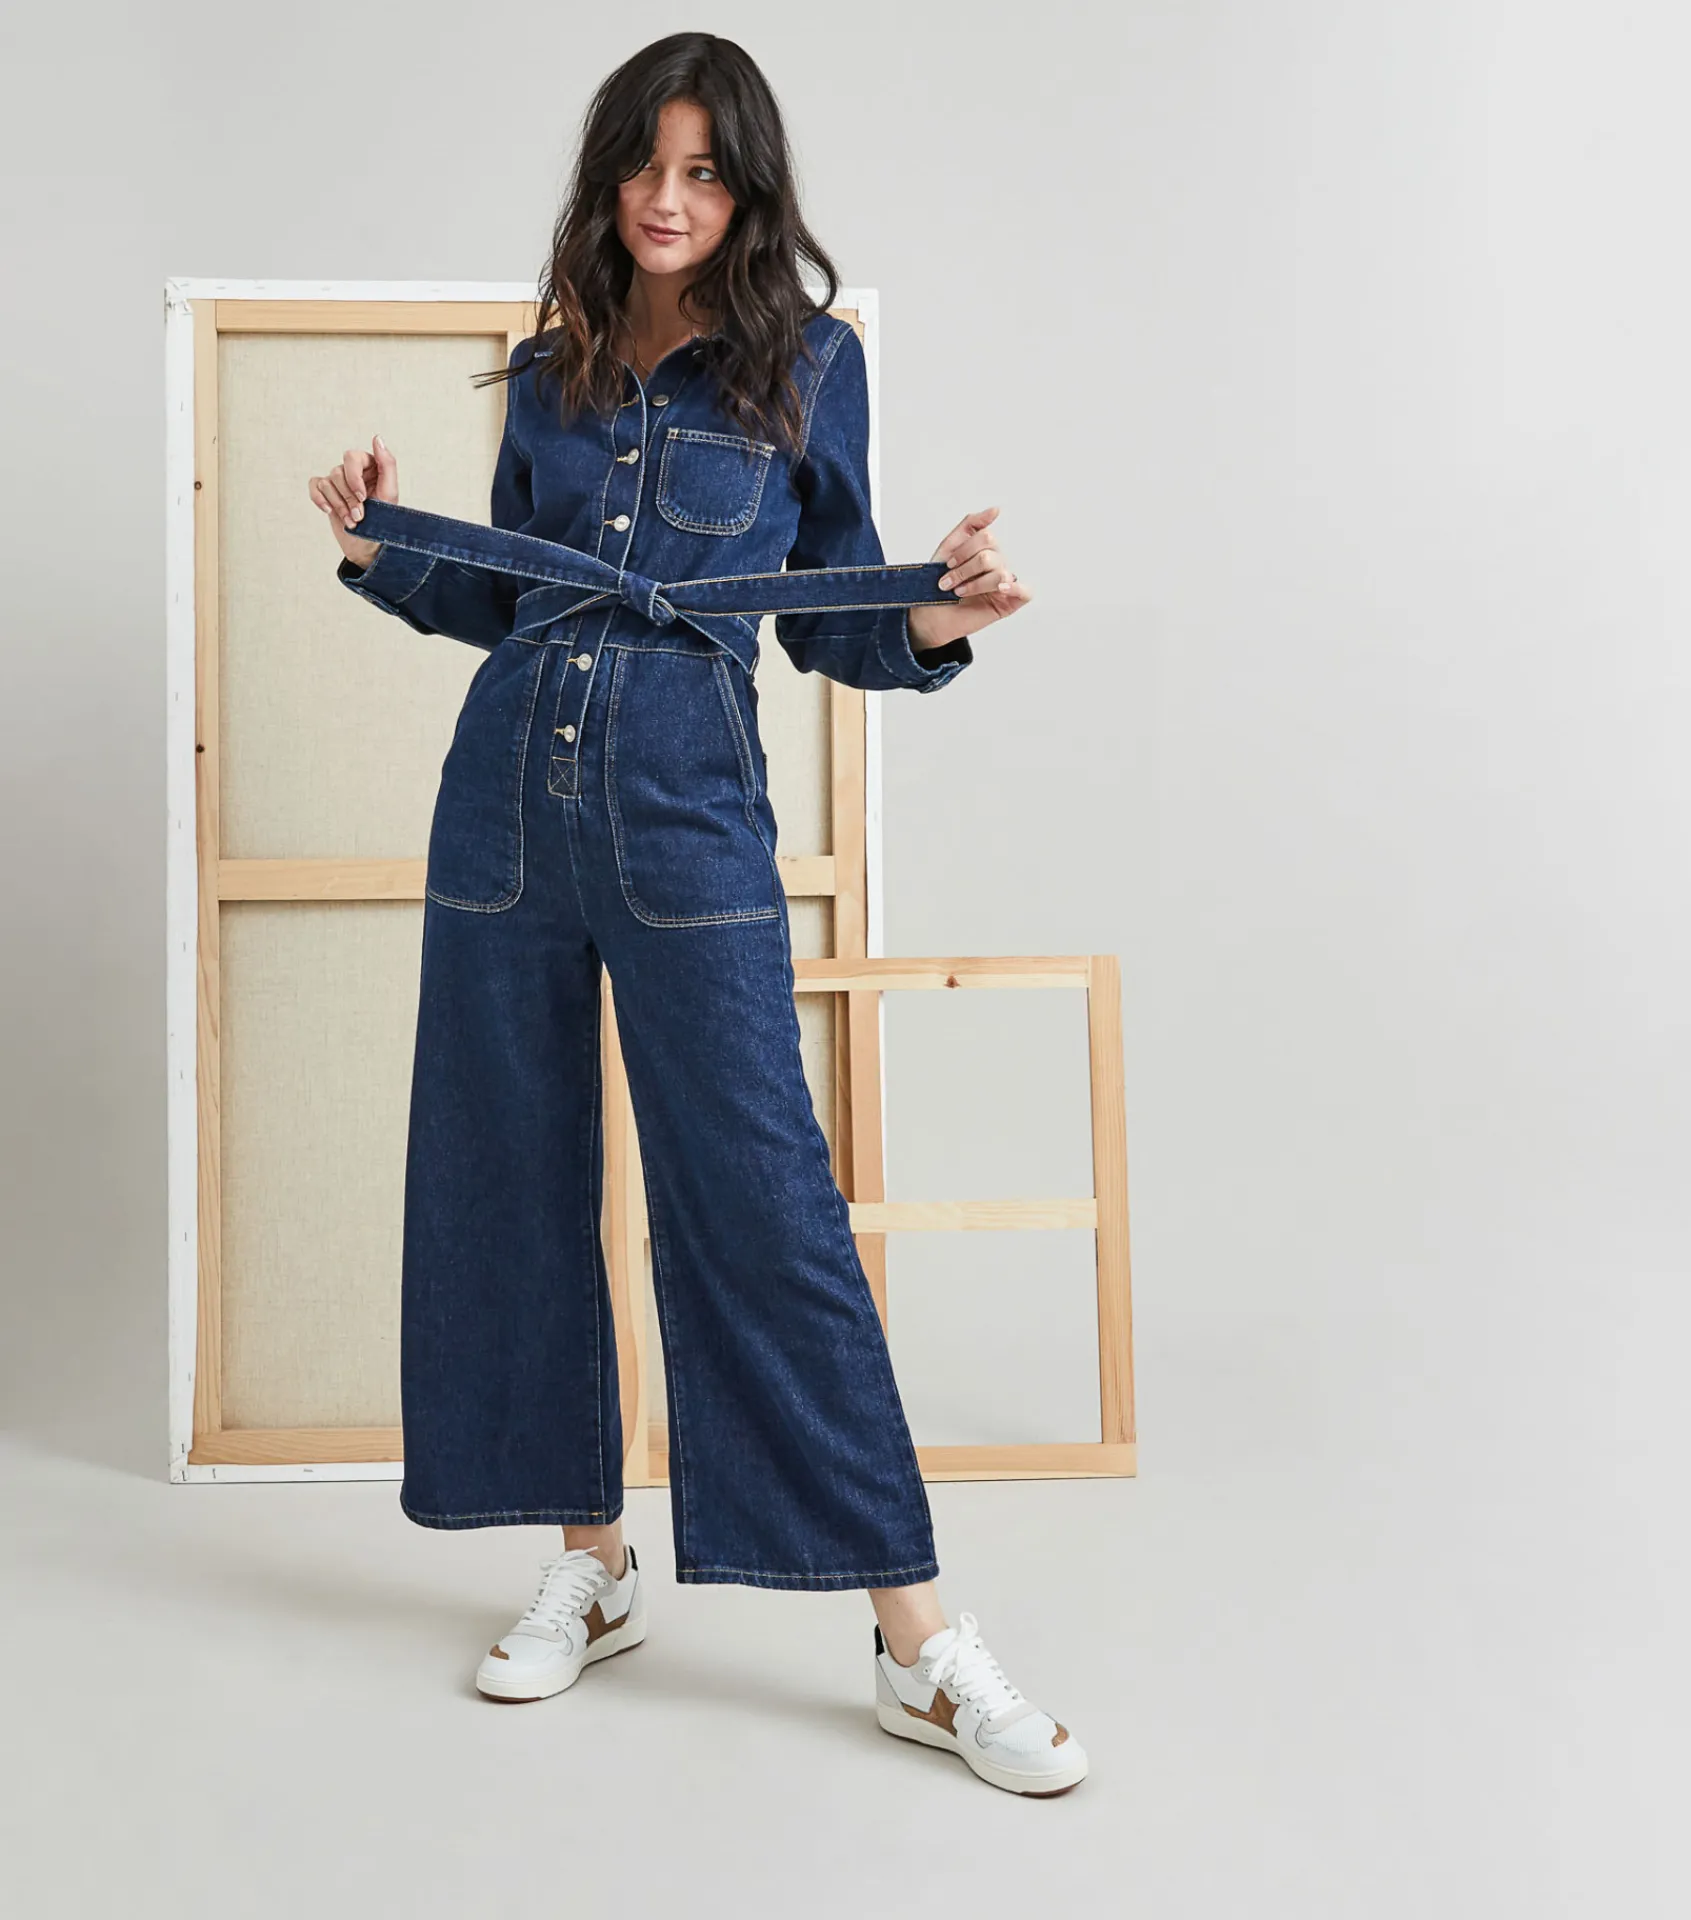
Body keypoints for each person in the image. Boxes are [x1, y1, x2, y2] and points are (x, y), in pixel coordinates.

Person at [305, 32, 1085, 1798]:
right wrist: (377, 552)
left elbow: (827, 613)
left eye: (704, 171)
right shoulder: (551, 368)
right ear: (609, 175)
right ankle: (590, 1561)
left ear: (747, 191)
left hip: (686, 803)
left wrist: (942, 618)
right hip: (506, 797)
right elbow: (511, 595)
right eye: (645, 165)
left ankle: (916, 1642)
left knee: (761, 1197)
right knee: (506, 1173)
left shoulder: (811, 362)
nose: (668, 198)